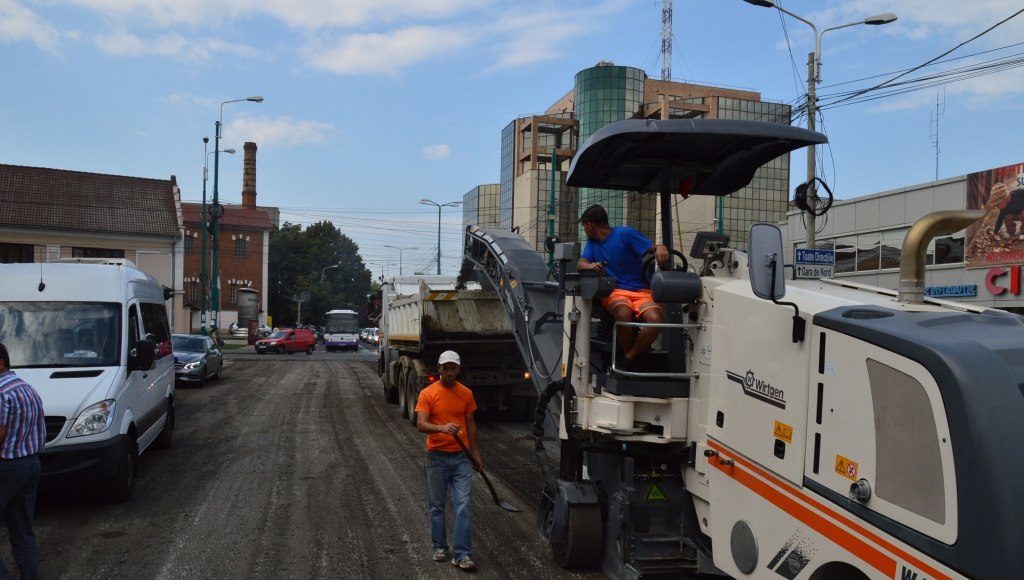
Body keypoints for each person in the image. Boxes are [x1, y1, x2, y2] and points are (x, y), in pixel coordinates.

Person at [577, 204, 669, 365]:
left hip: (641, 291)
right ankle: (630, 359)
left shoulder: (625, 234)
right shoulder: (592, 244)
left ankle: (627, 358)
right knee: (623, 314)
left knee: (657, 320)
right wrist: (592, 266)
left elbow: (653, 248)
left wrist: (661, 247)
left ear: (589, 225)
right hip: (615, 291)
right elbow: (581, 264)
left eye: (584, 226)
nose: (585, 230)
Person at [414, 350, 481, 571]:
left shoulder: (466, 393)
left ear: (458, 370)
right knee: (437, 507)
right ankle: (439, 547)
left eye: (453, 368)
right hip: (436, 458)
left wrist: (476, 454)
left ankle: (462, 554)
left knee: (463, 506)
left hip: (461, 458)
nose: (449, 372)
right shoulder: (428, 393)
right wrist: (443, 428)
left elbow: (471, 424)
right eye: (446, 368)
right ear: (439, 369)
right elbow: (421, 424)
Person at [0, 342, 46, 580]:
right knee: (22, 532)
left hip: (6, 466)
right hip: (31, 464)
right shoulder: (26, 387)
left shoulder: (1, 392)